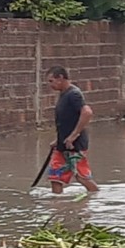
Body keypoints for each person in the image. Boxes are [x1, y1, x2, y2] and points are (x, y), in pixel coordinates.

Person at [46, 66, 99, 194]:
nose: (50, 85)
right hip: (62, 144)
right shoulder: (64, 94)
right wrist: (58, 139)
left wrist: (74, 135)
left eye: (51, 81)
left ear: (60, 78)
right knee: (55, 176)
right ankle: (58, 206)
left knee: (81, 176)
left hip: (75, 145)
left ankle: (95, 197)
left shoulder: (73, 94)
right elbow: (67, 120)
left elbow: (87, 112)